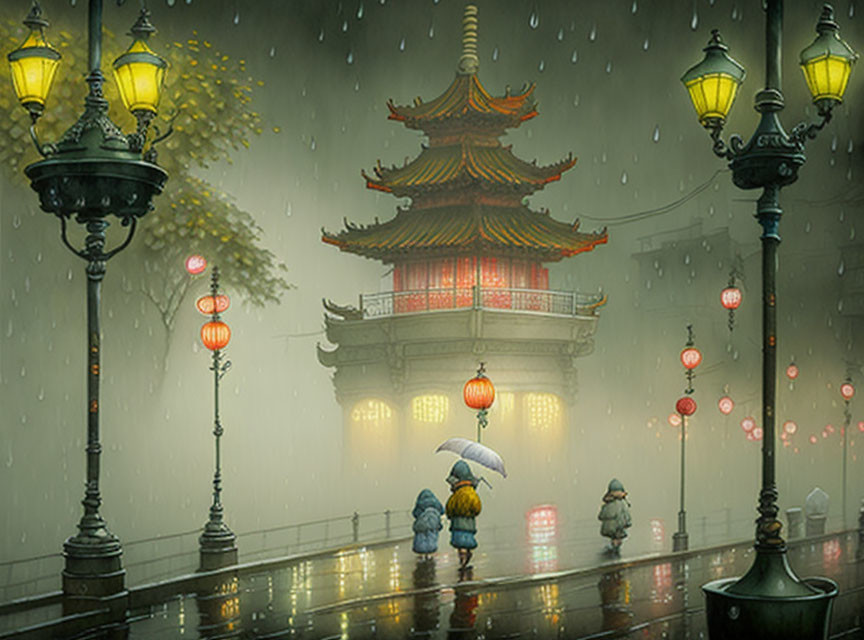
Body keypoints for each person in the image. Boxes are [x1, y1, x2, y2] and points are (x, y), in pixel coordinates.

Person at [445, 460, 482, 569]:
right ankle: (467, 557)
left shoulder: (455, 496)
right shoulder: (471, 493)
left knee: (460, 545)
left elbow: (449, 509)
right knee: (467, 542)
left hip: (457, 525)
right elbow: (477, 508)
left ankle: (462, 561)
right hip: (469, 525)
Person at [598, 478, 632, 555]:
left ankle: (613, 547)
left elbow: (600, 516)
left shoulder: (607, 504)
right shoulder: (622, 503)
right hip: (618, 527)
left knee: (614, 537)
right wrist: (627, 523)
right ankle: (615, 550)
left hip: (609, 528)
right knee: (618, 537)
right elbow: (626, 516)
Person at [412, 488, 444, 557]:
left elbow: (415, 514)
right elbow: (442, 511)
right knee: (431, 537)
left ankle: (422, 553)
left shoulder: (420, 503)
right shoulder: (436, 502)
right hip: (433, 523)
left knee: (421, 538)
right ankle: (429, 553)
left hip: (422, 524)